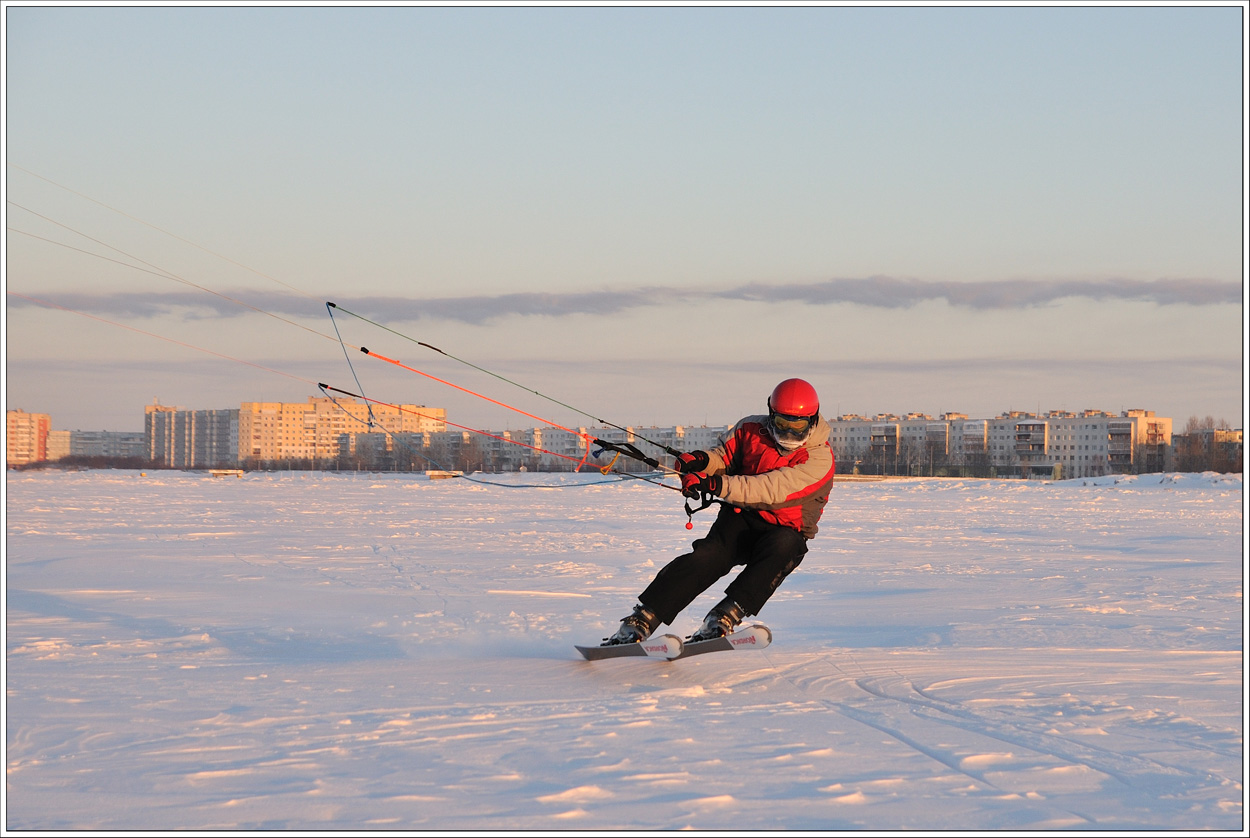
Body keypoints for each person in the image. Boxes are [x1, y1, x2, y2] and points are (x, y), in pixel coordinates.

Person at [603, 378, 835, 645]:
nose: (790, 433)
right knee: (707, 557)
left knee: (784, 548)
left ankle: (724, 616)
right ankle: (642, 619)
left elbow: (769, 489)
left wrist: (714, 484)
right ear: (771, 414)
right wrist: (701, 462)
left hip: (785, 529)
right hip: (739, 519)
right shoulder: (749, 428)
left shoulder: (820, 459)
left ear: (813, 420)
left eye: (798, 425)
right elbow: (724, 456)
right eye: (783, 424)